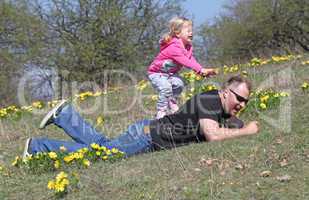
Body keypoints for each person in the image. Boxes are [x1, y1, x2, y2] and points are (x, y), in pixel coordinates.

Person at [22, 75, 259, 159]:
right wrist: (245, 131)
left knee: (102, 147)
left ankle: (64, 116)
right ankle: (38, 148)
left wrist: (235, 122)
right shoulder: (210, 101)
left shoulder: (216, 104)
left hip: (147, 133)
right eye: (239, 98)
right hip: (147, 137)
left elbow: (218, 125)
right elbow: (213, 135)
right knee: (103, 155)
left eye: (245, 102)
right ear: (226, 92)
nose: (241, 104)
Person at [147, 17, 217, 119]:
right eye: (188, 31)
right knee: (166, 88)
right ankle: (161, 111)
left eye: (192, 31)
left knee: (179, 84)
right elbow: (186, 62)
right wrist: (200, 70)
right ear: (177, 33)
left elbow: (191, 60)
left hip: (170, 74)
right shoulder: (174, 48)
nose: (191, 33)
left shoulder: (188, 47)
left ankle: (171, 101)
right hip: (156, 73)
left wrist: (202, 71)